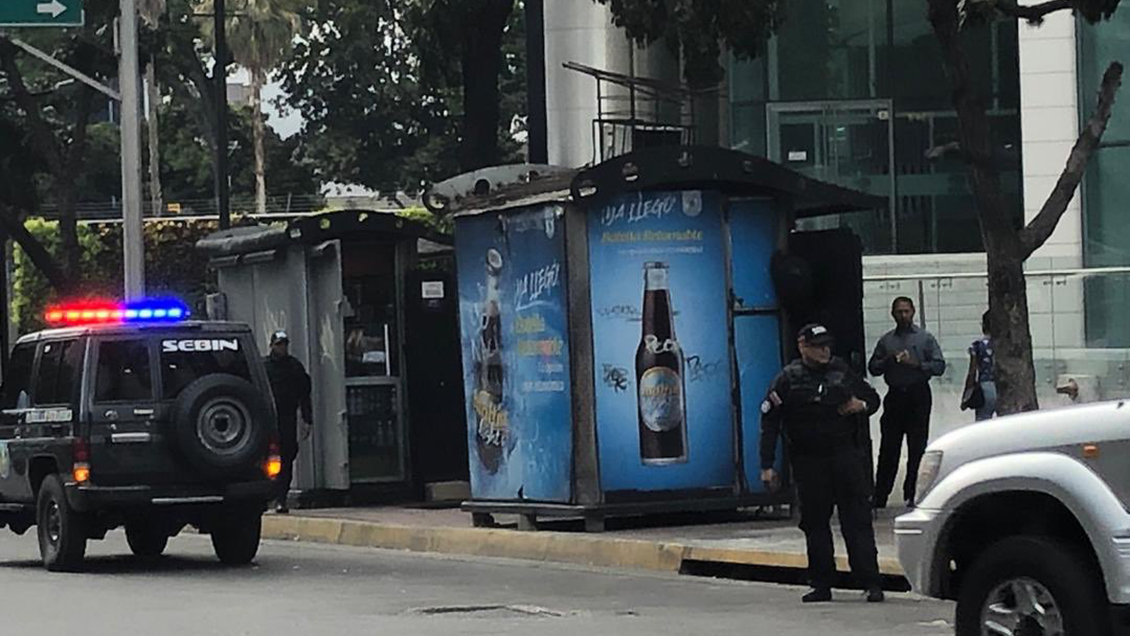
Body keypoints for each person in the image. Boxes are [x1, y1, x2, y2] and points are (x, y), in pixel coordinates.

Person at [760, 324, 884, 604]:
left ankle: (870, 582)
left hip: (844, 457)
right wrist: (767, 465)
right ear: (803, 347)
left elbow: (872, 399)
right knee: (815, 523)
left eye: (827, 345)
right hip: (809, 461)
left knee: (857, 521)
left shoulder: (842, 371)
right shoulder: (787, 379)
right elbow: (769, 422)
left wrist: (860, 406)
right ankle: (821, 584)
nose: (825, 350)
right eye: (818, 346)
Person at [869, 297, 946, 509]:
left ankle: (913, 493)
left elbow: (939, 366)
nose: (903, 315)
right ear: (892, 314)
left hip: (918, 394)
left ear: (913, 312)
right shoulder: (886, 341)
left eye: (906, 311)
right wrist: (888, 360)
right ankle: (880, 495)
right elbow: (873, 367)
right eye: (899, 312)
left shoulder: (925, 338)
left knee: (917, 447)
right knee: (889, 448)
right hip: (895, 396)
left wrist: (917, 364)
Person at [263, 330, 313, 514]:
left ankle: (281, 498)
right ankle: (268, 495)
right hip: (267, 419)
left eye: (284, 344)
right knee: (266, 458)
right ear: (272, 346)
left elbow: (304, 394)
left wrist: (307, 419)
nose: (282, 348)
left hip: (287, 418)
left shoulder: (294, 367)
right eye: (278, 344)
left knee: (287, 456)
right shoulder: (264, 367)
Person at [963, 311, 997, 421]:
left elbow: (972, 371)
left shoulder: (977, 345)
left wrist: (966, 395)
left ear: (983, 325)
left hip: (985, 386)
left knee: (983, 421)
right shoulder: (1004, 345)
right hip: (1004, 387)